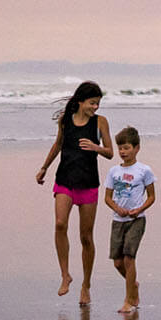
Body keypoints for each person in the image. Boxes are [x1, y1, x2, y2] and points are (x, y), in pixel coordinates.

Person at [36, 81, 112, 303]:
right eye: (92, 103)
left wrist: (96, 147)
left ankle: (86, 285)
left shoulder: (101, 122)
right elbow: (58, 145)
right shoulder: (65, 120)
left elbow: (110, 152)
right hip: (65, 180)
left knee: (86, 237)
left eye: (98, 103)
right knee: (60, 224)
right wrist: (44, 167)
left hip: (88, 184)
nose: (95, 107)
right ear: (80, 101)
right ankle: (65, 275)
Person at [103, 125, 157, 315]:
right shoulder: (113, 171)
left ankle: (129, 300)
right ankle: (133, 284)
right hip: (118, 220)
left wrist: (138, 209)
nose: (123, 152)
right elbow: (107, 197)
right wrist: (117, 208)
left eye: (126, 148)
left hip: (137, 220)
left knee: (128, 257)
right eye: (120, 148)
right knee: (117, 262)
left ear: (136, 148)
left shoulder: (144, 170)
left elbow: (151, 196)